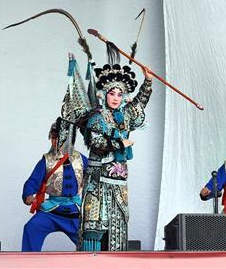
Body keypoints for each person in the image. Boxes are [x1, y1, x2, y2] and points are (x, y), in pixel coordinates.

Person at [78, 61, 153, 251]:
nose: (116, 98)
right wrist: (119, 143)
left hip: (119, 182)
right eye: (112, 93)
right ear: (104, 94)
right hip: (97, 181)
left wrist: (148, 81)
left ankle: (116, 261)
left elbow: (139, 103)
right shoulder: (96, 117)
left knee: (118, 228)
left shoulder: (125, 115)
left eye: (120, 94)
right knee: (94, 227)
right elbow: (95, 141)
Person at [22, 118, 88, 251]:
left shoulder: (81, 159)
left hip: (75, 211)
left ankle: (93, 260)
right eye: (53, 138)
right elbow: (32, 181)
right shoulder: (46, 161)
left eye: (59, 138)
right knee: (31, 228)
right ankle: (29, 261)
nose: (56, 141)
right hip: (51, 211)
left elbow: (93, 178)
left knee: (89, 237)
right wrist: (28, 196)